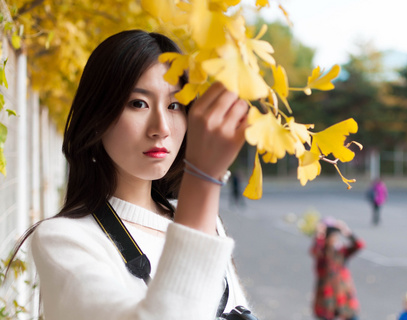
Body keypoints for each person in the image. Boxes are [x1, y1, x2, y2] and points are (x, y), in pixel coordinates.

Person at [13, 30, 251, 319]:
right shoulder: (64, 240)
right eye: (138, 103)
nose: (161, 127)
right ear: (98, 116)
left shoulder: (205, 222)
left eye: (174, 105)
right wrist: (202, 179)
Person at [310, 218, 364, 320]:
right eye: (333, 237)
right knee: (327, 316)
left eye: (337, 237)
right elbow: (315, 250)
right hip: (327, 293)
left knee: (351, 316)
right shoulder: (323, 253)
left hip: (343, 292)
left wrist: (347, 232)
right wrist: (319, 235)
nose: (335, 240)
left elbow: (359, 245)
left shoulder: (341, 252)